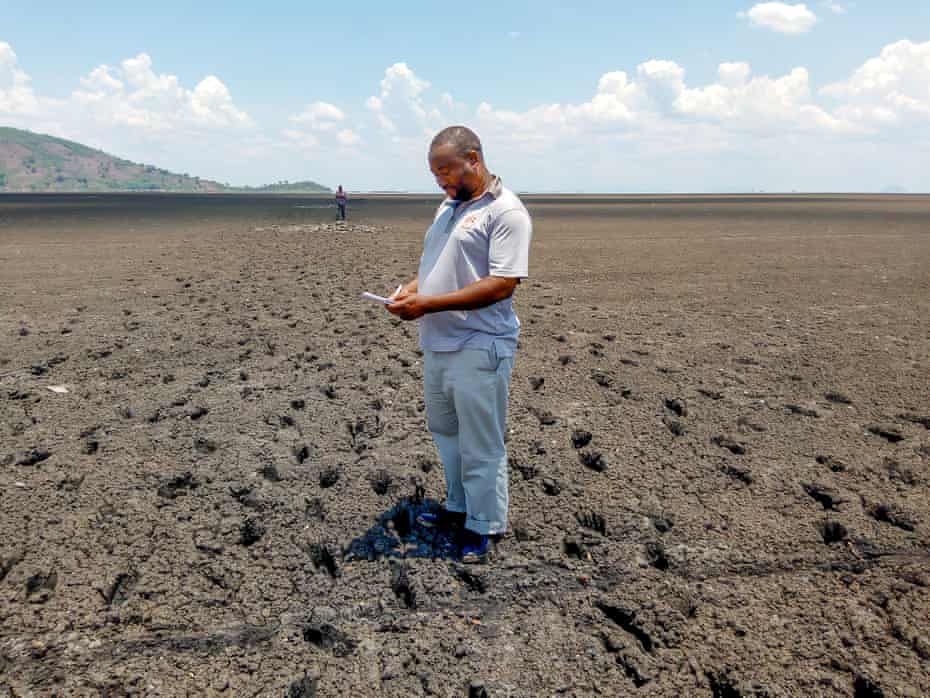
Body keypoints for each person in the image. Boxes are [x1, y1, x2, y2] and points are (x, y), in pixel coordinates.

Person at [387, 125, 532, 563]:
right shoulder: (448, 207)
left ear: (474, 158)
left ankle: (484, 524)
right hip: (440, 344)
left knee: (481, 441)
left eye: (448, 170)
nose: (442, 180)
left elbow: (502, 285)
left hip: (480, 343)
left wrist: (427, 304)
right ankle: (458, 507)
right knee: (446, 433)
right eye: (435, 174)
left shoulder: (506, 212)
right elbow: (439, 265)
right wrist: (411, 290)